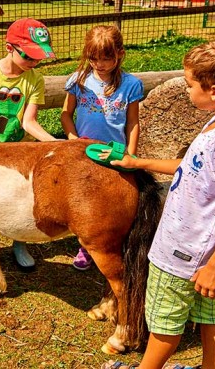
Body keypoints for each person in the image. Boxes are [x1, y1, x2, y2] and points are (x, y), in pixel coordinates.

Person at [101, 37, 215, 369]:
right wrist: (138, 162)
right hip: (200, 251)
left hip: (181, 253)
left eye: (190, 85)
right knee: (211, 313)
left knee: (163, 324)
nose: (187, 91)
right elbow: (192, 168)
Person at [0, 17, 58, 271]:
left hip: (20, 150)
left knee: (19, 199)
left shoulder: (34, 80)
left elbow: (29, 122)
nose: (34, 62)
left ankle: (20, 242)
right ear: (9, 48)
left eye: (38, 57)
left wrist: (56, 144)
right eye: (29, 56)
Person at [60, 25, 143, 271]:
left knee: (113, 200)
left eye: (106, 58)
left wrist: (131, 152)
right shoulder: (79, 80)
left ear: (120, 54)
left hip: (113, 149)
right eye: (93, 57)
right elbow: (66, 114)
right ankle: (86, 245)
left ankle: (115, 241)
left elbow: (133, 122)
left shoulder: (131, 85)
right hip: (83, 148)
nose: (99, 63)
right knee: (86, 198)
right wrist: (73, 138)